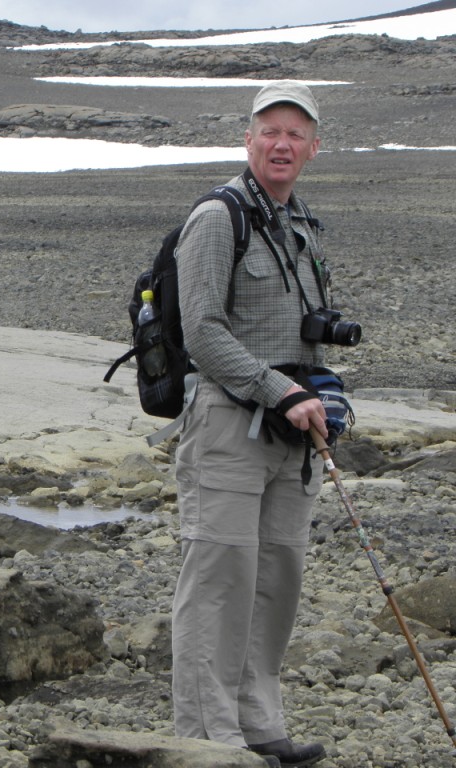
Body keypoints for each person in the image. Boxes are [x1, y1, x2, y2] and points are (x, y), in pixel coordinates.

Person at [170, 82, 336, 768]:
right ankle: (209, 740)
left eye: (296, 134)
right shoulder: (219, 217)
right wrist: (278, 389)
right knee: (221, 580)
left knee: (275, 578)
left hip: (291, 435)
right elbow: (202, 332)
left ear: (313, 148)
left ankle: (259, 723)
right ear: (248, 139)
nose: (282, 144)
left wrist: (321, 392)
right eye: (271, 131)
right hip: (228, 424)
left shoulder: (301, 224)